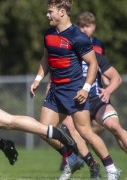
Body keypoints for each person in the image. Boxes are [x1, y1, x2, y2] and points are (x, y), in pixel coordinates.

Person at [30, 0, 120, 180]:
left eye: (50, 11)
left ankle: (111, 169)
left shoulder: (78, 37)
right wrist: (38, 78)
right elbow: (46, 57)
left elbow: (93, 64)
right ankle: (71, 157)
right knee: (43, 130)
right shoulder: (48, 34)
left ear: (62, 12)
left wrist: (86, 89)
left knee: (86, 132)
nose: (47, 15)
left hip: (74, 92)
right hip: (55, 92)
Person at [58, 10, 107, 172]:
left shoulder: (99, 45)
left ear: (94, 27)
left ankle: (105, 165)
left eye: (89, 26)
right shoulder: (73, 41)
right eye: (82, 26)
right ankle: (74, 157)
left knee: (101, 127)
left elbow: (100, 66)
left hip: (93, 93)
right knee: (67, 125)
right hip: (73, 90)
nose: (85, 29)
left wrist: (106, 85)